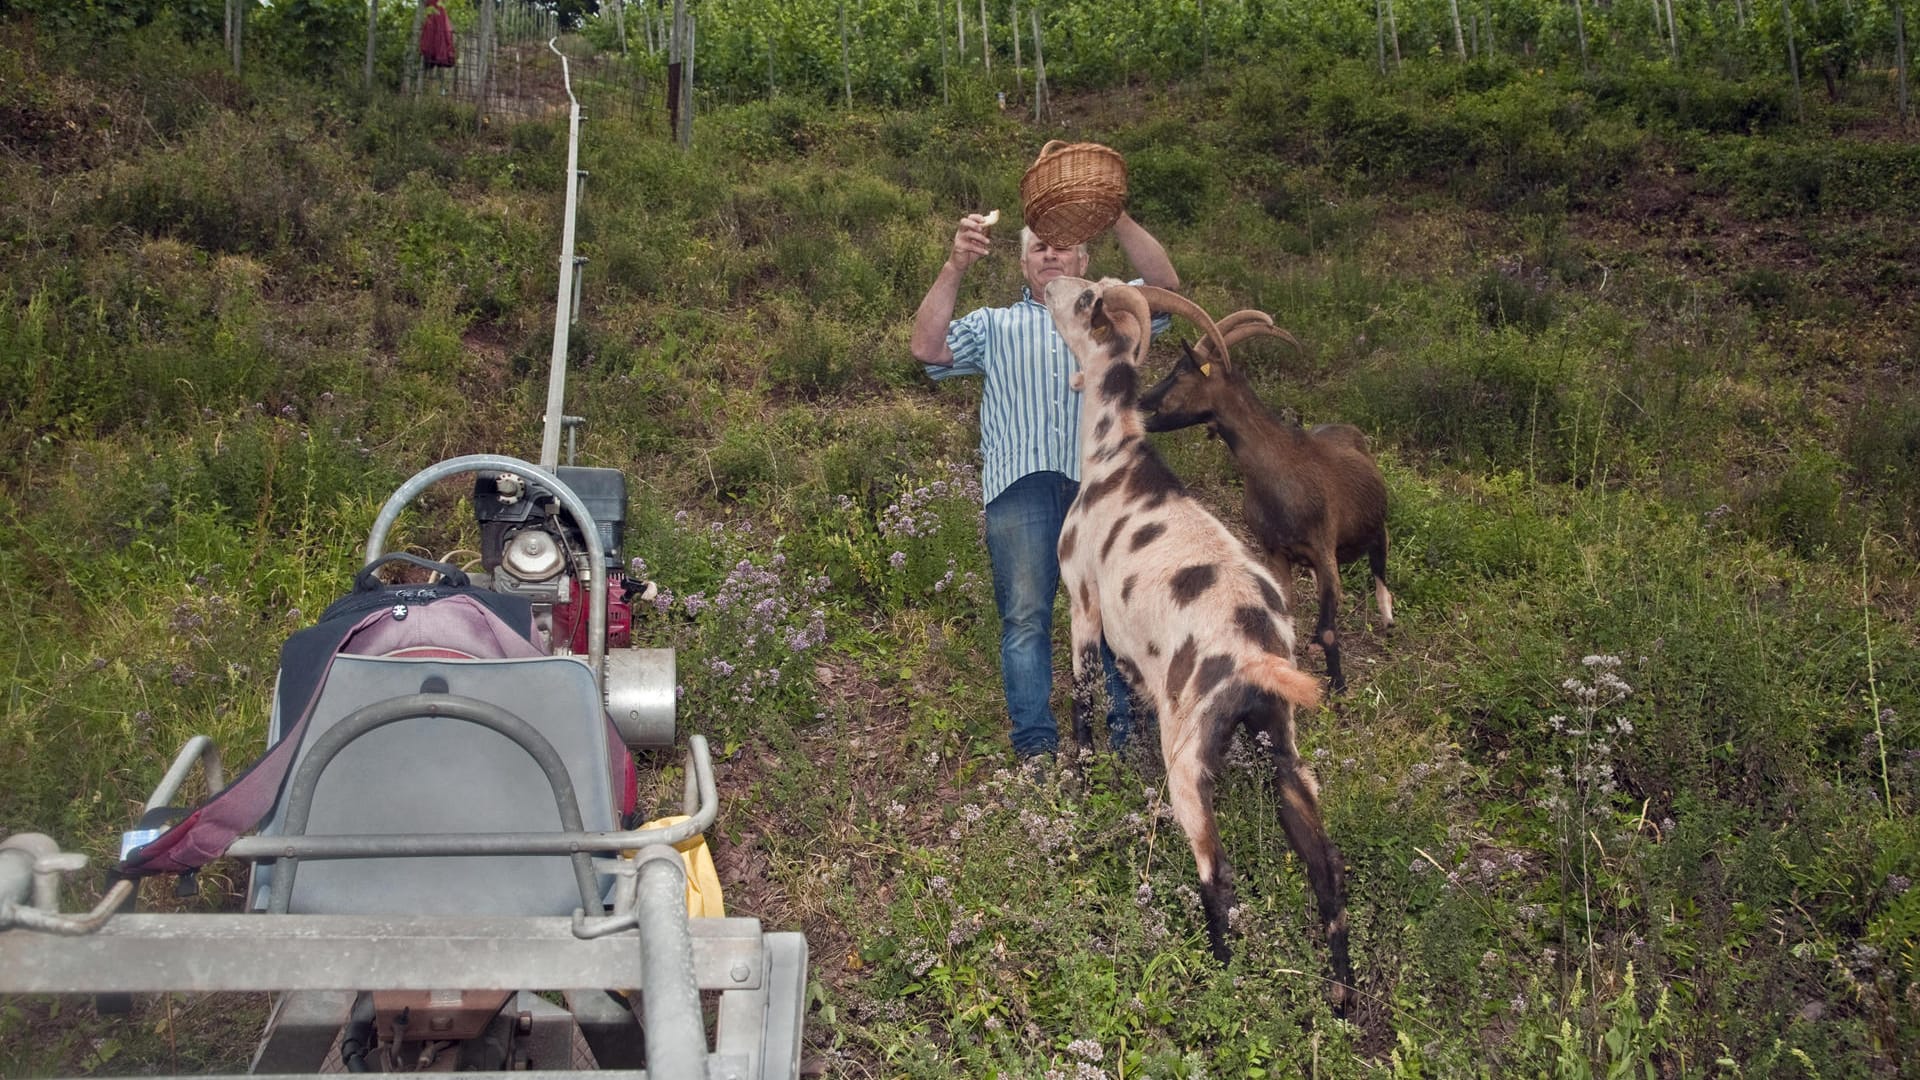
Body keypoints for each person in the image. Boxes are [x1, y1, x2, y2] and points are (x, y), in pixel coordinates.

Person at [910, 209, 1180, 762]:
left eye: (1063, 246)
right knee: (1027, 617)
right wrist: (955, 264)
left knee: (1115, 613)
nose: (1050, 255)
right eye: (1038, 248)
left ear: (1085, 259)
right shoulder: (994, 324)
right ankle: (1037, 748)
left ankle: (1128, 739)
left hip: (1103, 488)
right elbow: (926, 347)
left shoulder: (1108, 312)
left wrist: (1118, 216)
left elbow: (1166, 285)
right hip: (1022, 487)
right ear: (1023, 261)